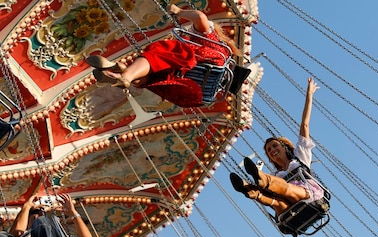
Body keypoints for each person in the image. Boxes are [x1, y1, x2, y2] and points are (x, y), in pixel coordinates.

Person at [85, 4, 241, 107]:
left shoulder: (212, 42)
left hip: (191, 66)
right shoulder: (214, 84)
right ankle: (121, 73)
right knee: (154, 76)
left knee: (162, 50)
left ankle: (126, 74)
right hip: (189, 93)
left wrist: (179, 11)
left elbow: (200, 18)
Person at [230, 78, 326, 215]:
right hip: (289, 208)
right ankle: (251, 190)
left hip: (308, 198)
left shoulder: (300, 157)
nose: (272, 150)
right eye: (269, 150)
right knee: (277, 202)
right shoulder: (276, 175)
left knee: (287, 188)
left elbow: (305, 125)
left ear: (284, 147)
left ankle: (261, 178)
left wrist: (309, 95)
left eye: (275, 146)